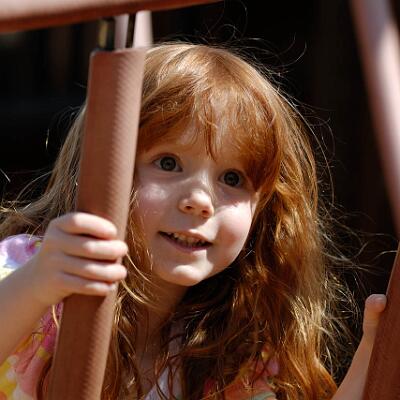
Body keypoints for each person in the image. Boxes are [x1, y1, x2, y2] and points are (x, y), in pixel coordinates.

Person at [0, 43, 387, 400]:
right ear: (102, 170)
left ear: (263, 212)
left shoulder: (228, 351)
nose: (200, 201)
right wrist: (38, 282)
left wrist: (373, 352)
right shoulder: (39, 271)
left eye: (232, 178)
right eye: (168, 163)